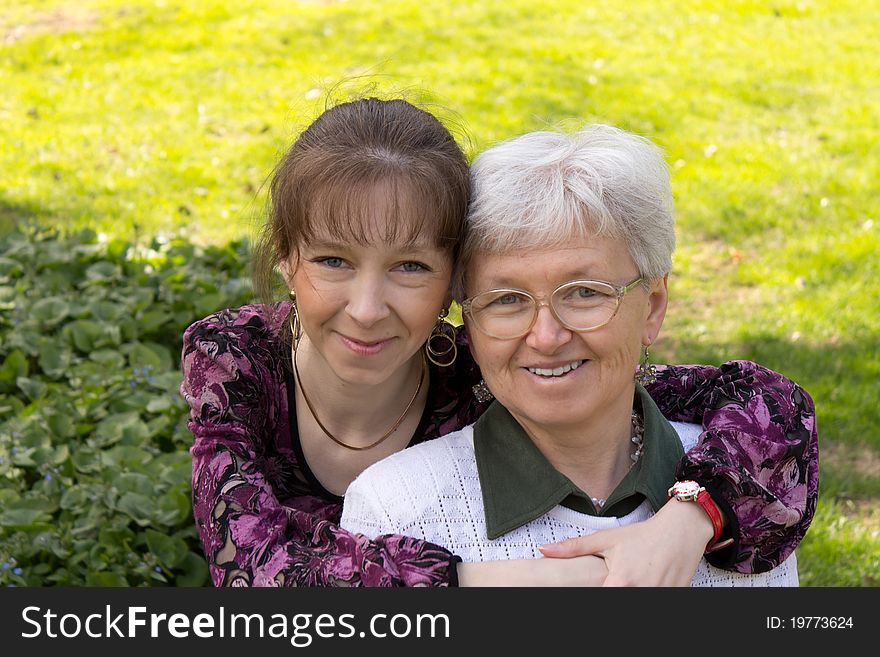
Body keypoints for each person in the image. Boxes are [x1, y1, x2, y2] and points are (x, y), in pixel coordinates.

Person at [181, 99, 818, 587]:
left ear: (451, 290)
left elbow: (767, 405)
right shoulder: (238, 361)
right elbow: (253, 569)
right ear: (287, 261)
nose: (368, 309)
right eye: (332, 261)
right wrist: (532, 579)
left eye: (411, 267)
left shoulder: (478, 367)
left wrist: (690, 519)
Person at [341, 123, 809, 585]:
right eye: (506, 299)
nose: (546, 337)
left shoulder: (754, 493)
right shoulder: (396, 508)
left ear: (652, 306)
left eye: (585, 293)